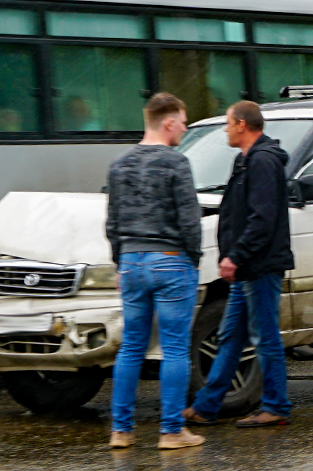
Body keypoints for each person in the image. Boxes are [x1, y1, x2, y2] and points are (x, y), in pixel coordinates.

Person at [183, 100, 295, 428]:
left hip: (259, 267)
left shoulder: (262, 161)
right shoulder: (244, 160)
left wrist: (236, 255)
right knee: (231, 336)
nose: (225, 129)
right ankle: (207, 406)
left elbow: (262, 218)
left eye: (228, 124)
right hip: (246, 268)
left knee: (265, 337)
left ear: (243, 125)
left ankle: (276, 406)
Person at [105, 92, 204, 450]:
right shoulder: (176, 163)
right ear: (168, 123)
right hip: (170, 259)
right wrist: (193, 259)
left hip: (131, 261)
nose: (186, 127)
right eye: (183, 121)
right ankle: (172, 431)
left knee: (131, 347)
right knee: (175, 349)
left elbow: (112, 221)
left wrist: (121, 261)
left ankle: (121, 430)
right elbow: (189, 218)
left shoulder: (119, 164)